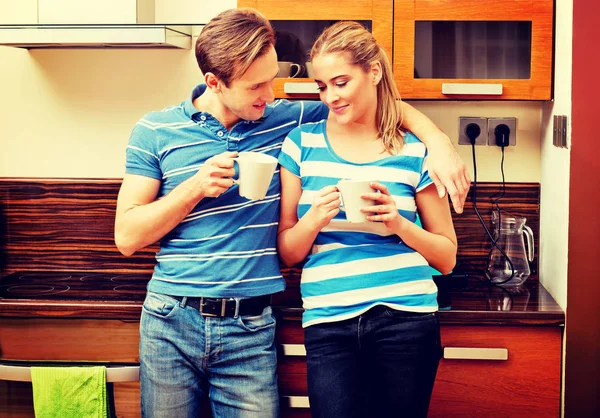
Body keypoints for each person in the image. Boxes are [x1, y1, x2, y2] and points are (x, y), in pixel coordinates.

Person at [114, 8, 464, 418]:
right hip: (170, 317)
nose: (271, 94)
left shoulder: (287, 121)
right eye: (257, 86)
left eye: (272, 80)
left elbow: (372, 101)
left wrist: (438, 140)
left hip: (250, 323)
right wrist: (193, 188)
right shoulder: (155, 131)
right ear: (214, 82)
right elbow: (127, 236)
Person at [277, 21, 458, 418]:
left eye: (340, 82)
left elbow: (446, 257)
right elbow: (288, 253)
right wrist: (312, 221)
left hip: (406, 319)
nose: (331, 97)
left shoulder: (415, 151)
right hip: (328, 320)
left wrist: (399, 224)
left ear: (373, 72)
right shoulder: (301, 144)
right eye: (322, 86)